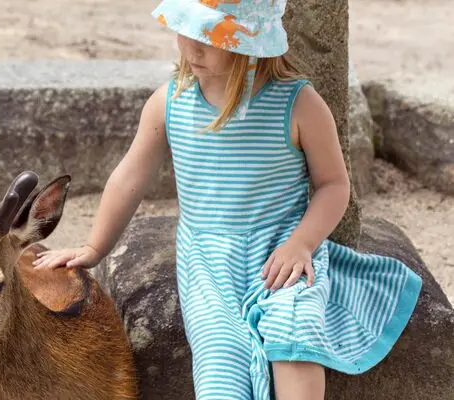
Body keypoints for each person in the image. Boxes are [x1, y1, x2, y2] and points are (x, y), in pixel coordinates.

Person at [33, 0, 423, 399]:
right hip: (208, 262)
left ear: (250, 42)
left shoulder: (298, 103)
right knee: (220, 361)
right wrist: (95, 246)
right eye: (187, 31)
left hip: (280, 251)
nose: (192, 47)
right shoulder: (169, 103)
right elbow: (131, 175)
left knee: (296, 335)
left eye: (209, 37)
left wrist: (302, 243)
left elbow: (334, 185)